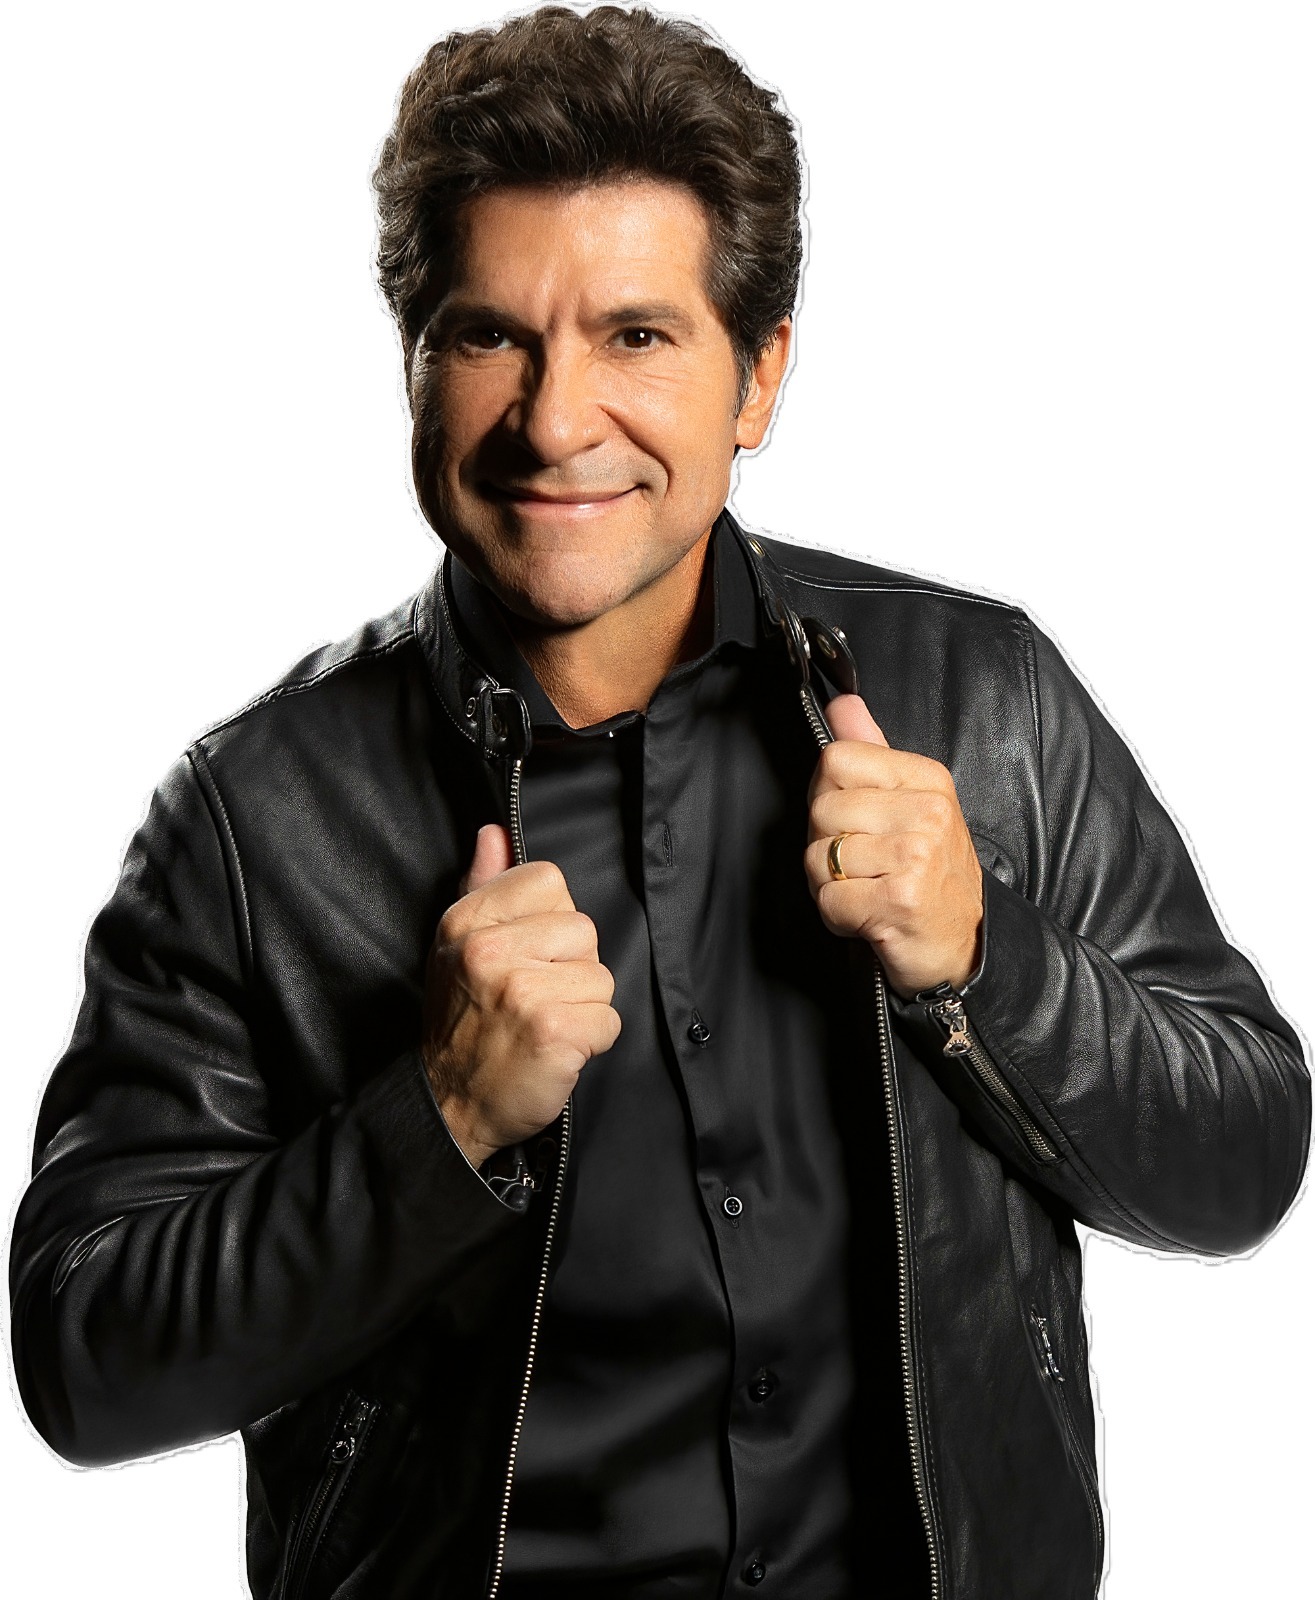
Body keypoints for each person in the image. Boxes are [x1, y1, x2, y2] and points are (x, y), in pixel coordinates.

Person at [8, 6, 1308, 1599]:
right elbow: (83, 1355)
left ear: (758, 378)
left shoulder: (984, 699)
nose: (557, 421)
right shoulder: (254, 816)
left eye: (636, 337)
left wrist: (988, 962)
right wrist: (439, 1123)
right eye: (490, 337)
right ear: (414, 367)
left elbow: (1248, 1152)